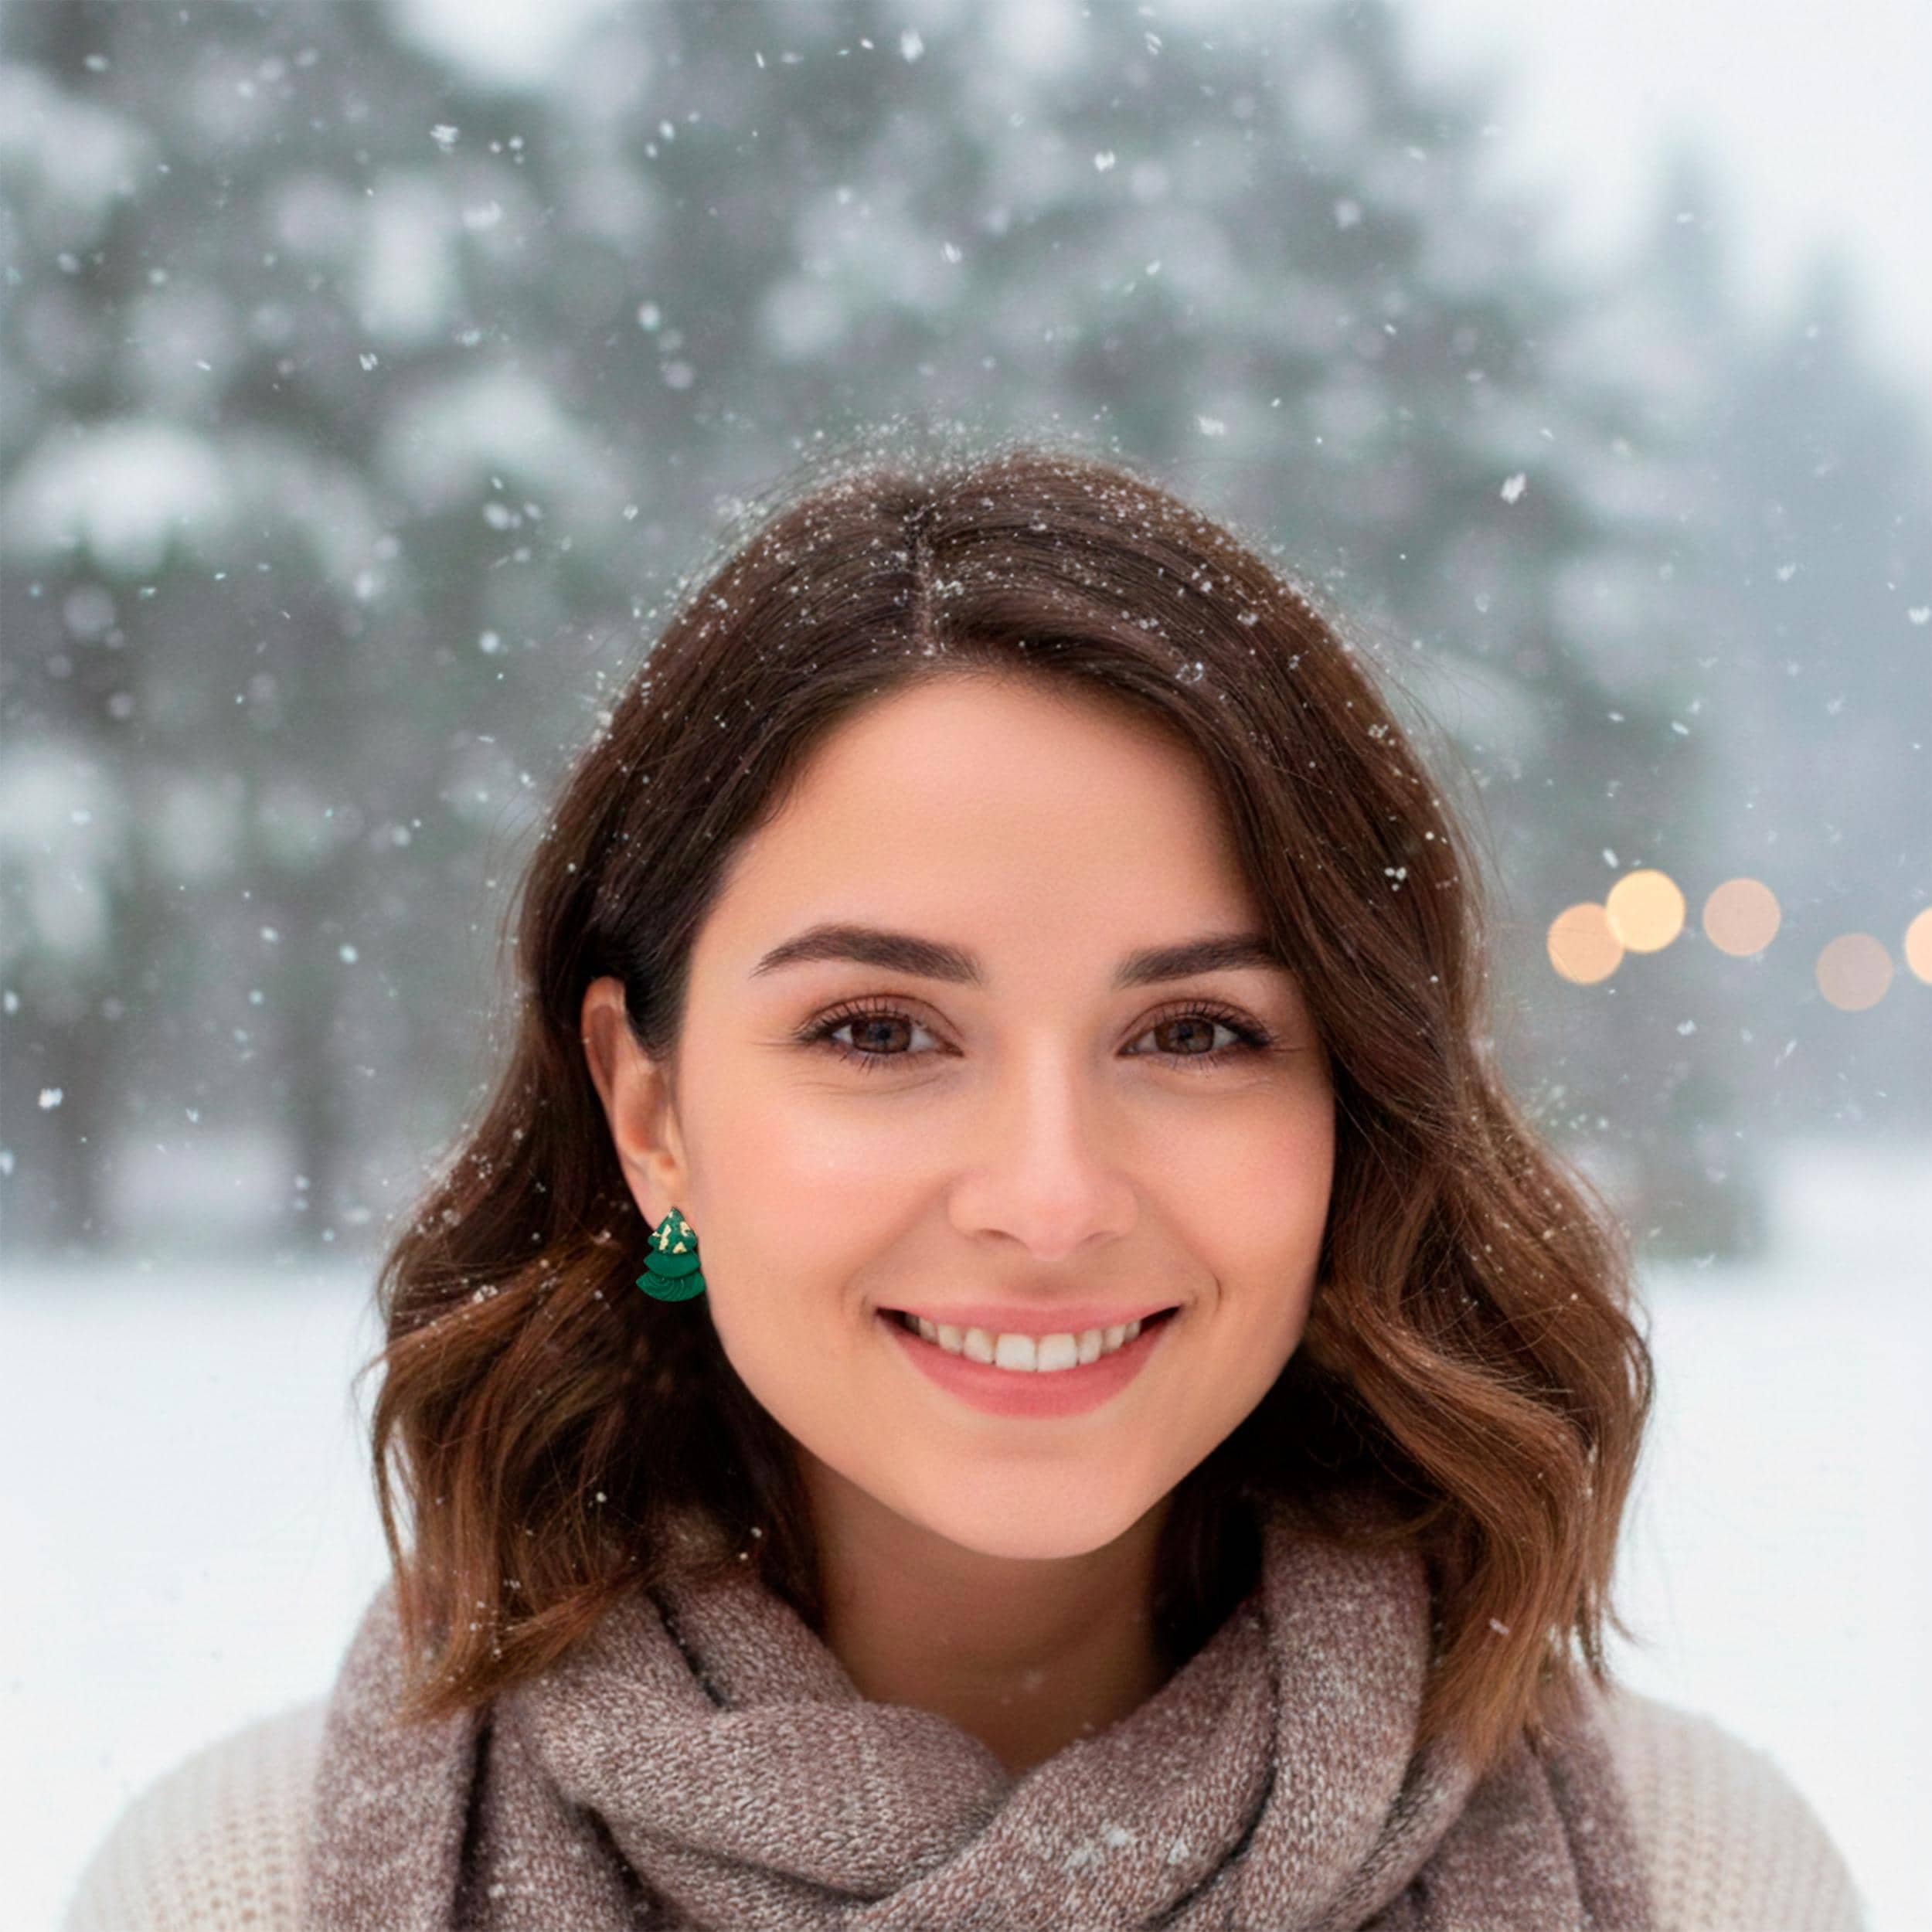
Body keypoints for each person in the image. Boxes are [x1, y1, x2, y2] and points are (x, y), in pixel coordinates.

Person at [62, 440, 1867, 1930]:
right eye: (875, 1029)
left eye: (1192, 1033)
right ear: (649, 1104)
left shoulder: (1707, 1880)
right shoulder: (236, 1889)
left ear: (1354, 1112)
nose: (1049, 1194)